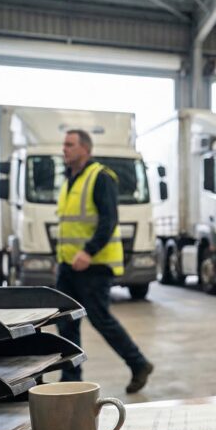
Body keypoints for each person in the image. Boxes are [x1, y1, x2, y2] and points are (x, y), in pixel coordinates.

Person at [55, 129, 154, 394]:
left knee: (100, 319)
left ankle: (138, 363)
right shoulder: (69, 180)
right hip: (68, 265)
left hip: (94, 265)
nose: (63, 149)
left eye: (69, 144)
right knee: (65, 321)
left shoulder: (100, 177)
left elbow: (108, 220)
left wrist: (88, 251)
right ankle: (70, 379)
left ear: (85, 149)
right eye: (64, 144)